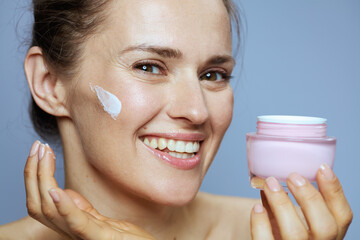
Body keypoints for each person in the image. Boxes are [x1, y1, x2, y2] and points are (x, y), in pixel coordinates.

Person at [0, 0, 353, 239]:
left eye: (213, 75)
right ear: (49, 84)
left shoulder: (278, 233)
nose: (197, 111)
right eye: (149, 67)